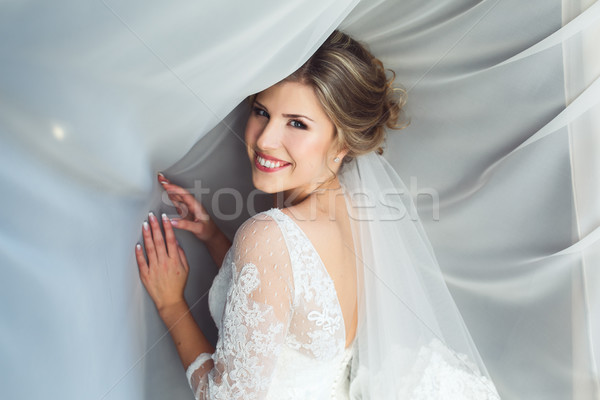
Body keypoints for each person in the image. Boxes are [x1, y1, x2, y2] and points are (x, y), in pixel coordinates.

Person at [135, 30, 501, 399]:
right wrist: (216, 239)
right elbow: (289, 303)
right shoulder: (360, 211)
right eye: (261, 111)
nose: (264, 139)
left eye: (297, 123)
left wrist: (171, 305)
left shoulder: (269, 235)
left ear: (341, 142)